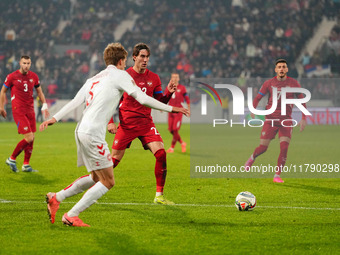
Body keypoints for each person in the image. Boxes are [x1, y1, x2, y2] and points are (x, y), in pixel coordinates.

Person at [40, 43, 189, 227]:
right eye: (125, 60)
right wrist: (173, 108)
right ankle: (71, 214)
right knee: (108, 181)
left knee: (96, 177)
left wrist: (53, 118)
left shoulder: (94, 78)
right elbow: (142, 98)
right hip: (94, 133)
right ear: (121, 61)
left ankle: (57, 197)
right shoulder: (121, 75)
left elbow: (75, 101)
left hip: (81, 130)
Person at [107, 43, 177, 205]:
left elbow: (160, 101)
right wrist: (111, 122)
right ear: (134, 57)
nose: (145, 60)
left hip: (146, 124)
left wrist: (168, 93)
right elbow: (110, 101)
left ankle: (159, 195)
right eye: (142, 57)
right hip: (126, 125)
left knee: (161, 154)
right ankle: (93, 187)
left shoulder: (154, 78)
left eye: (147, 57)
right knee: (113, 162)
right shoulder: (123, 76)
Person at [244, 59, 307, 183]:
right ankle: (252, 158)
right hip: (271, 120)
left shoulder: (294, 83)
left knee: (284, 148)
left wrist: (304, 117)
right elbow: (258, 97)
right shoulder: (269, 83)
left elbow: (302, 100)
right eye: (279, 67)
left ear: (287, 69)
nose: (282, 69)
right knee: (263, 148)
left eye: (284, 66)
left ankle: (277, 175)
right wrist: (253, 108)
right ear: (276, 69)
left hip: (286, 120)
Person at [0, 55, 49, 173]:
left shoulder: (34, 76)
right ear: (20, 64)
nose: (26, 66)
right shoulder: (12, 76)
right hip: (19, 109)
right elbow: (3, 91)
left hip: (30, 110)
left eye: (28, 63)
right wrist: (1, 107)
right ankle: (12, 158)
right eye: (24, 63)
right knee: (29, 137)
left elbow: (39, 91)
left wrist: (45, 104)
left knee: (32, 137)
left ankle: (26, 164)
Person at [165, 73, 190, 153]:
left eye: (176, 77)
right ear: (171, 78)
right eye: (173, 77)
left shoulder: (182, 88)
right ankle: (182, 143)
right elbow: (165, 97)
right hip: (170, 111)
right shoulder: (168, 87)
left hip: (179, 111)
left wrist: (189, 108)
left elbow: (187, 98)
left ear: (179, 79)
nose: (175, 79)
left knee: (175, 129)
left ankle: (172, 148)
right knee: (171, 130)